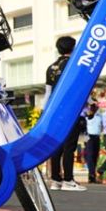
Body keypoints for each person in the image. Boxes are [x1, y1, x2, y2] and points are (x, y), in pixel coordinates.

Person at [45, 36, 86, 191]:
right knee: (69, 145)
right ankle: (68, 179)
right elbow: (79, 88)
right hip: (71, 109)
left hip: (54, 110)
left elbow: (48, 92)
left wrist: (45, 112)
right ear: (73, 48)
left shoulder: (51, 67)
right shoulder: (74, 65)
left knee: (56, 145)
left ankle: (56, 180)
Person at [84, 103, 102, 183]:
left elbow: (101, 126)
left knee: (95, 156)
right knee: (90, 157)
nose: (93, 109)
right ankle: (92, 175)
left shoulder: (99, 117)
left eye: (94, 108)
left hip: (97, 137)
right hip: (89, 138)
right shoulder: (86, 118)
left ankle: (91, 175)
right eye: (92, 108)